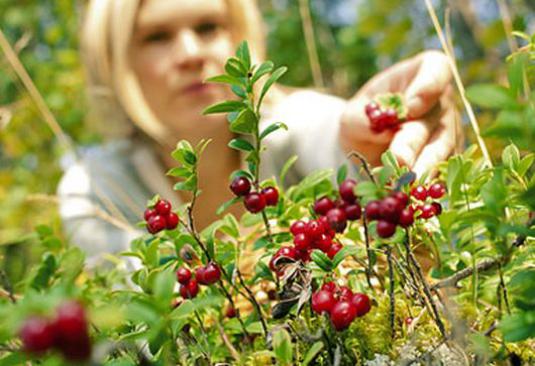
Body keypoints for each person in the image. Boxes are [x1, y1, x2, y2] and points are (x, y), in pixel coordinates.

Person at [57, 0, 460, 266]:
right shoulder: (95, 189)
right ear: (115, 61)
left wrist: (372, 141)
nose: (191, 53)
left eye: (208, 27)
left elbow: (334, 138)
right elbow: (151, 329)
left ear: (239, 36)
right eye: (156, 37)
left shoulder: (286, 123)